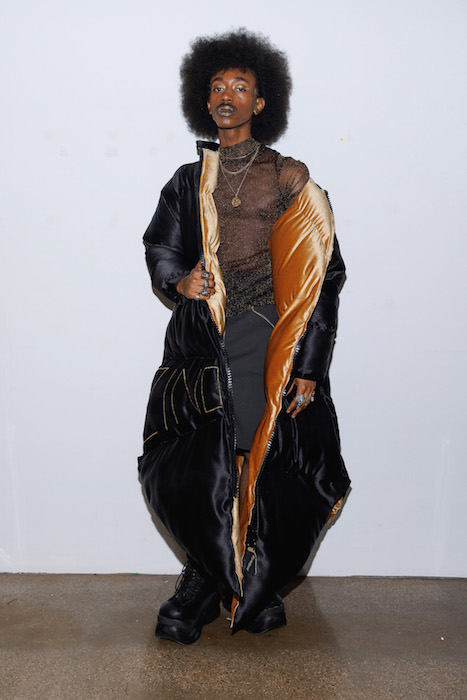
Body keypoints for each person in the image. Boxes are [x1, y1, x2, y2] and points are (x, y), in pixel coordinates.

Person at [138, 29, 350, 645]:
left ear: (261, 102)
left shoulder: (288, 177)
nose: (226, 96)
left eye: (240, 86)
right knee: (193, 459)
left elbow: (324, 275)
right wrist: (180, 280)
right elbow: (160, 247)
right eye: (216, 87)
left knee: (254, 454)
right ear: (204, 100)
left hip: (265, 335)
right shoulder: (187, 180)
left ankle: (251, 578)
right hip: (201, 339)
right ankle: (209, 575)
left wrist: (309, 366)